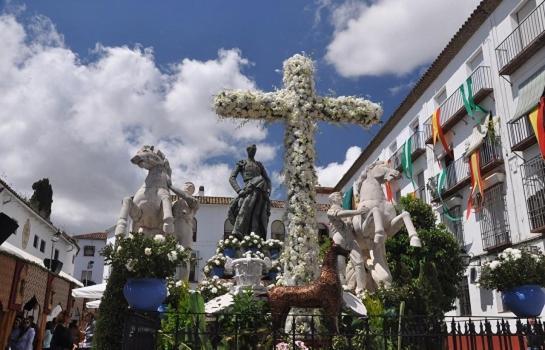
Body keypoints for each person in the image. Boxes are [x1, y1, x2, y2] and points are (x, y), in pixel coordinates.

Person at [327, 191, 368, 294]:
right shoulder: (331, 211)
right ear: (333, 199)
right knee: (340, 266)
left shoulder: (344, 210)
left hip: (350, 238)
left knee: (359, 261)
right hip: (339, 238)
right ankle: (342, 289)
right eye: (338, 197)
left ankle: (361, 289)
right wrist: (358, 212)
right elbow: (340, 214)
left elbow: (348, 220)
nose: (341, 198)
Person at [228, 144, 271, 239]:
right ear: (248, 151)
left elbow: (267, 179)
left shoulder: (259, 165)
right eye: (251, 150)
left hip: (261, 191)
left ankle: (255, 236)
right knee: (245, 210)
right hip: (248, 189)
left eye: (254, 150)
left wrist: (268, 190)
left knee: (258, 215)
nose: (253, 152)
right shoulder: (242, 163)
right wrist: (239, 191)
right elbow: (232, 178)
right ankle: (238, 232)